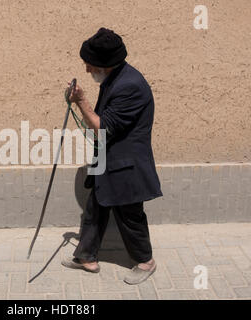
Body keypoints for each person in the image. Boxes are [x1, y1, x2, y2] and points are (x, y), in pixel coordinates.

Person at [61, 27, 163, 285]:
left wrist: (82, 100)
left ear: (105, 64)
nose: (86, 70)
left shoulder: (129, 86)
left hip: (126, 165)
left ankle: (146, 261)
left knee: (129, 215)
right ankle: (86, 257)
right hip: (108, 161)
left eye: (89, 64)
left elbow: (103, 128)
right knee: (95, 208)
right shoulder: (115, 78)